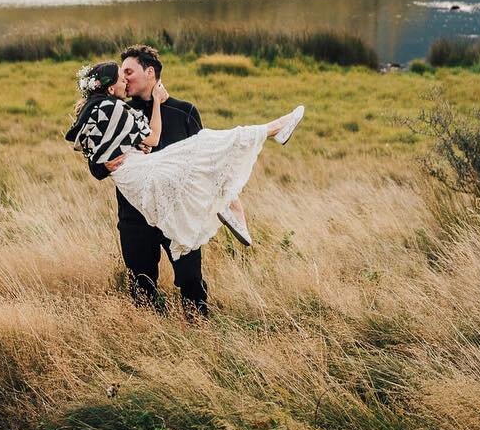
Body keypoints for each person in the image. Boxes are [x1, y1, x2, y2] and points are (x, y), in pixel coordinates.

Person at [66, 50, 304, 317]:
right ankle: (150, 338)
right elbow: (98, 162)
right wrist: (103, 165)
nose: (124, 78)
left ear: (150, 73)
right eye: (121, 74)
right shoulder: (120, 109)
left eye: (128, 72)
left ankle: (197, 332)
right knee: (141, 284)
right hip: (136, 215)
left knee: (191, 280)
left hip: (180, 212)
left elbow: (207, 163)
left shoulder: (183, 112)